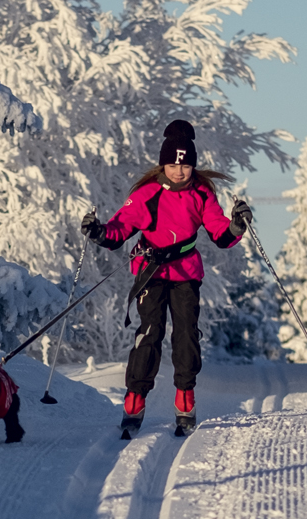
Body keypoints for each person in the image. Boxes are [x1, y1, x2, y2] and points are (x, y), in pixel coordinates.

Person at [82, 119, 251, 439]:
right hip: (150, 271)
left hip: (186, 272)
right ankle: (134, 400)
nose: (179, 170)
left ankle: (185, 398)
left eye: (185, 164)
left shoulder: (201, 194)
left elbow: (220, 234)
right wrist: (98, 232)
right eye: (173, 163)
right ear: (163, 163)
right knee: (149, 333)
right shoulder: (147, 194)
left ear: (192, 165)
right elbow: (119, 231)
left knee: (186, 335)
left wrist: (237, 226)